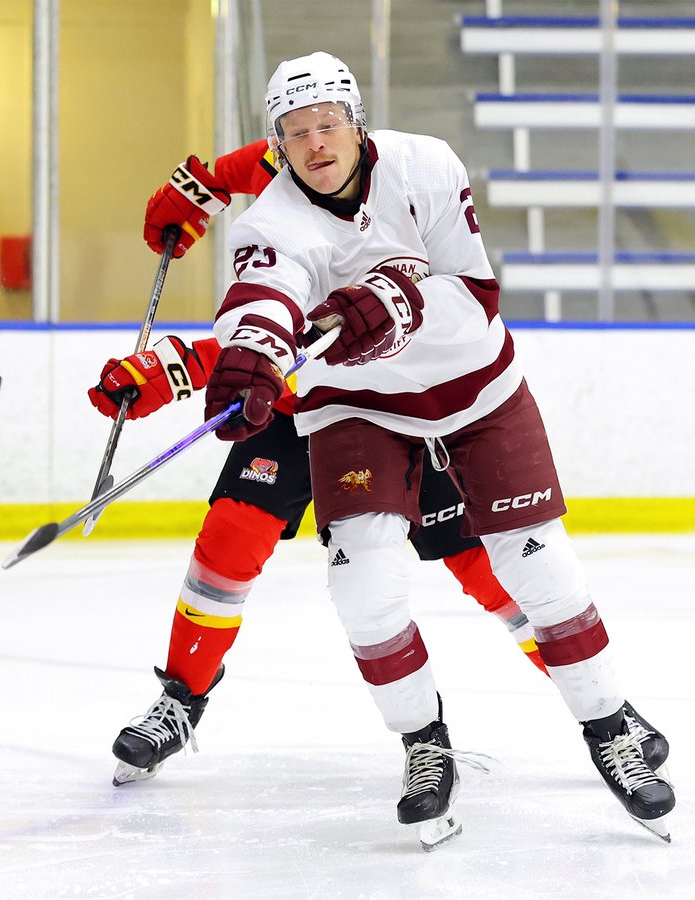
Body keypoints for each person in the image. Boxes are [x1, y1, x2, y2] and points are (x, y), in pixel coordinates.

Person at [89, 136, 671, 794]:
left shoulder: (395, 195)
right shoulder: (288, 206)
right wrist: (202, 197)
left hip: (389, 409)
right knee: (228, 540)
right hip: (291, 411)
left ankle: (606, 710)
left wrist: (211, 190)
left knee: (488, 565)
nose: (311, 153)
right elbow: (265, 332)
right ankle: (181, 699)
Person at [192, 51, 673, 847]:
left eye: (329, 124)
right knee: (365, 587)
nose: (317, 143)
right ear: (276, 145)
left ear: (356, 123)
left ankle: (610, 728)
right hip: (356, 407)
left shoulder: (425, 166)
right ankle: (424, 744)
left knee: (538, 566)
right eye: (296, 132)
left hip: (476, 390)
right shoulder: (269, 221)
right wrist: (250, 354)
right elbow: (263, 296)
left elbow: (476, 298)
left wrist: (395, 298)